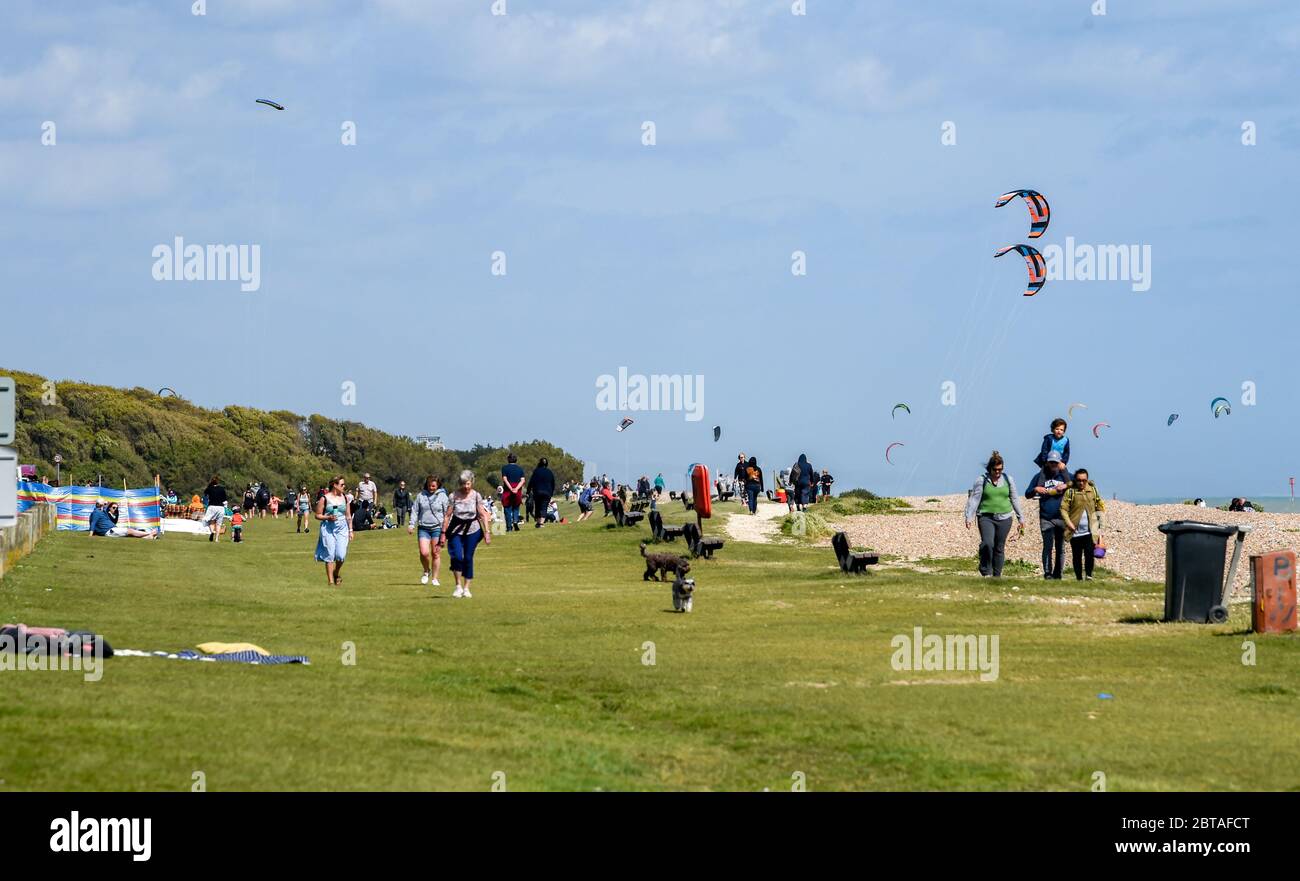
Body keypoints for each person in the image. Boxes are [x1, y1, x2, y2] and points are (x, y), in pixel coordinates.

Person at [964, 451, 1025, 577]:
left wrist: (1021, 518)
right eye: (995, 470)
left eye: (1000, 470)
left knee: (999, 547)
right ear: (989, 468)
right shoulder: (982, 480)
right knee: (987, 543)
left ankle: (997, 576)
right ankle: (986, 570)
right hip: (986, 517)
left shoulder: (1009, 480)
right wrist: (969, 517)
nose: (997, 472)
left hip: (1005, 518)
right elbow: (974, 499)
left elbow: (1014, 499)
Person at [440, 470, 492, 598]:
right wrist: (443, 533)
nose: (466, 487)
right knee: (457, 557)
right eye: (463, 484)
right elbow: (447, 516)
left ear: (472, 483)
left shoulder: (476, 496)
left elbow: (482, 514)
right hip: (456, 530)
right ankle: (458, 586)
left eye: (468, 483)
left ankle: (467, 588)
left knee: (468, 558)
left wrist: (487, 532)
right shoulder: (453, 496)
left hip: (472, 530)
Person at [1024, 451, 1071, 580]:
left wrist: (1066, 485)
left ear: (1060, 463)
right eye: (1051, 462)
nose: (1053, 465)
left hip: (1062, 517)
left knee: (1060, 548)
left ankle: (1058, 574)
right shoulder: (1040, 477)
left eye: (1056, 462)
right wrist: (1035, 490)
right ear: (1047, 463)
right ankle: (1047, 573)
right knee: (1048, 546)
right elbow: (1027, 494)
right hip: (1046, 518)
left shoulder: (1066, 476)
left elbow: (1078, 486)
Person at [1061, 467, 1105, 581]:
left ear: (1087, 479)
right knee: (1076, 556)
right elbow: (1063, 509)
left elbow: (1099, 507)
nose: (1081, 483)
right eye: (1079, 480)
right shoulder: (1070, 492)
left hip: (1090, 530)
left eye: (1084, 480)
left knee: (1089, 555)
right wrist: (1069, 523)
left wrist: (1100, 527)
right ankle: (1079, 578)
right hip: (1075, 532)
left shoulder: (1093, 491)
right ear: (1075, 480)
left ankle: (1089, 575)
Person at [410, 475, 449, 586]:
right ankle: (426, 571)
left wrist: (446, 530)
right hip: (423, 528)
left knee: (435, 553)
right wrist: (411, 524)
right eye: (429, 486)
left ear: (437, 486)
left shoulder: (443, 497)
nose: (431, 488)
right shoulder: (420, 496)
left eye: (433, 486)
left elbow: (447, 513)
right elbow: (414, 510)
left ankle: (435, 578)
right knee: (424, 553)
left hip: (437, 528)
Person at [314, 475, 353, 586]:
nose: (344, 486)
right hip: (328, 528)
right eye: (342, 484)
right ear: (334, 485)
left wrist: (350, 530)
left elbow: (348, 515)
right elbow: (317, 515)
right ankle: (331, 581)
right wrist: (328, 517)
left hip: (342, 528)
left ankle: (336, 572)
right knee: (330, 554)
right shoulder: (325, 498)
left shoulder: (345, 498)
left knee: (341, 555)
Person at [90, 502, 157, 538]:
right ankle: (150, 533)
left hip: (112, 529)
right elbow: (93, 523)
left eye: (116, 508)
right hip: (110, 531)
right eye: (113, 507)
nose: (115, 509)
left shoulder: (103, 513)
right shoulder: (97, 513)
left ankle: (149, 537)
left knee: (131, 534)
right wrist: (91, 534)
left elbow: (113, 522)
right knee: (130, 531)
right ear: (99, 505)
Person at [527, 457, 556, 529]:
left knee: (538, 507)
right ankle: (541, 523)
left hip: (537, 492)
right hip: (547, 492)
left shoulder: (536, 471)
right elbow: (553, 484)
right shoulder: (550, 472)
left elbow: (531, 482)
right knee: (544, 507)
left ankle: (538, 522)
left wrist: (528, 490)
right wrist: (551, 493)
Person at [501, 453, 526, 532]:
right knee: (516, 507)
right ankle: (515, 521)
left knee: (507, 508)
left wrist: (511, 488)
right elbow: (523, 480)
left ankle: (509, 527)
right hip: (517, 490)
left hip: (508, 490)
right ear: (516, 459)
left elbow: (505, 479)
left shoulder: (504, 468)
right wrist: (516, 489)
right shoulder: (520, 469)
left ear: (508, 459)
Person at [202, 476, 228, 543]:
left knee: (211, 522)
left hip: (212, 507)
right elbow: (225, 501)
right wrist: (226, 509)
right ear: (218, 482)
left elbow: (205, 493)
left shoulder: (210, 488)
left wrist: (209, 485)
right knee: (219, 524)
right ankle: (216, 539)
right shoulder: (222, 489)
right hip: (220, 507)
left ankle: (212, 532)